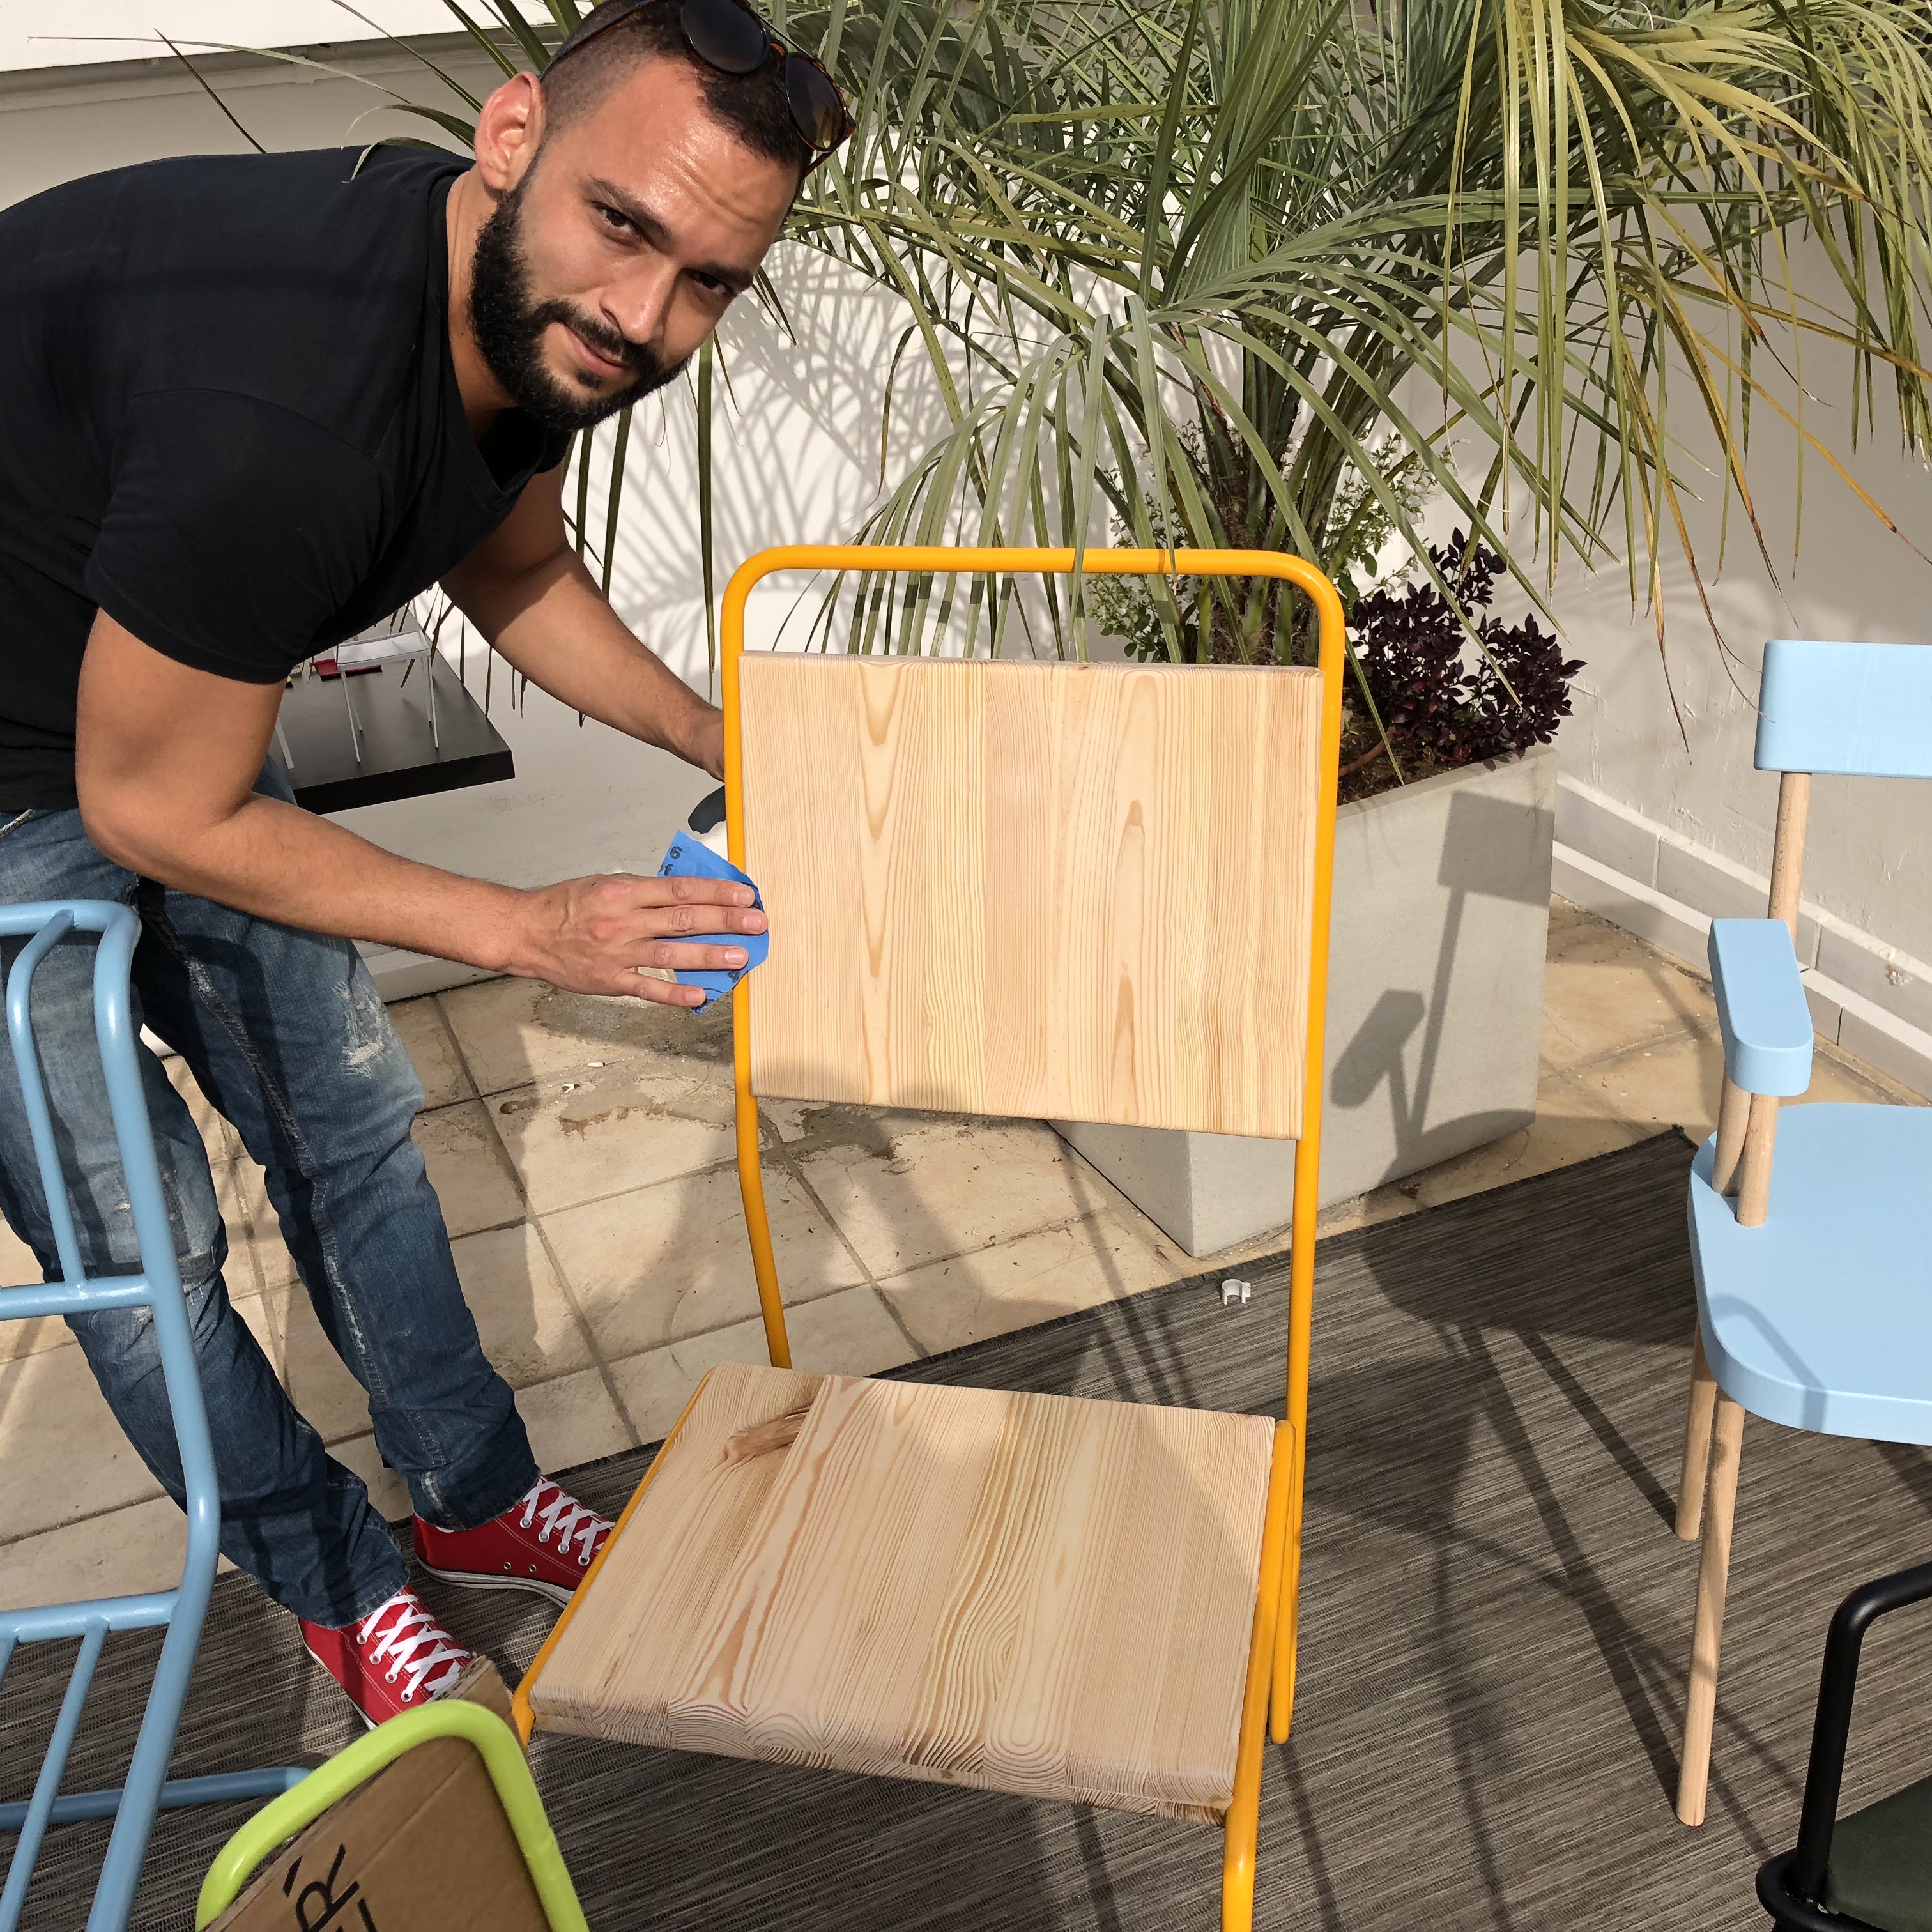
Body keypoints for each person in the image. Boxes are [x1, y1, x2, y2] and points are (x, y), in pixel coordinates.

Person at [0, 0, 850, 1726]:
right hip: (49, 769)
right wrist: (530, 929)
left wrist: (719, 738)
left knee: (358, 1126)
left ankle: (468, 1495)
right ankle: (341, 1584)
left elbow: (514, 566)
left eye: (709, 280)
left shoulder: (525, 314)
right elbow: (155, 811)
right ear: (514, 132)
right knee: (146, 1245)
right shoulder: (285, 413)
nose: (646, 316)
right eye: (627, 230)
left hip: (148, 690)